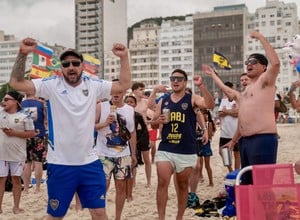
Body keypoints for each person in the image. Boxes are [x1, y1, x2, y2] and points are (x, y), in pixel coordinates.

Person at [9, 37, 131, 219]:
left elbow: (123, 85)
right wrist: (22, 54)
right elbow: (16, 83)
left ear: (82, 65)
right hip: (60, 164)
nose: (71, 67)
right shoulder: (50, 85)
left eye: (75, 63)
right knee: (56, 215)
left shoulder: (94, 85)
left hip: (90, 162)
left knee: (99, 212)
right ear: (61, 67)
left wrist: (123, 57)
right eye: (66, 64)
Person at [203, 30, 280, 184]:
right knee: (247, 182)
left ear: (263, 67)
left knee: (262, 183)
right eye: (247, 63)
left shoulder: (265, 83)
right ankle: (251, 208)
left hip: (262, 139)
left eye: (253, 62)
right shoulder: (243, 94)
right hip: (245, 141)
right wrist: (212, 75)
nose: (248, 64)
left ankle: (262, 209)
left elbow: (276, 63)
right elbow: (228, 91)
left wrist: (260, 37)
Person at [151, 69, 214, 220]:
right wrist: (157, 121)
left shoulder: (192, 98)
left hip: (186, 150)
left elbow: (209, 105)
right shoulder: (163, 101)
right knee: (162, 182)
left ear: (185, 82)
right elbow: (153, 124)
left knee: (182, 185)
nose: (176, 81)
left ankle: (179, 217)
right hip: (166, 147)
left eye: (179, 79)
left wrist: (202, 86)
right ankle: (161, 218)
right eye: (173, 78)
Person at [95, 82, 136, 220]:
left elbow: (132, 133)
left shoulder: (130, 110)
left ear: (124, 92)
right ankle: (101, 216)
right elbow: (91, 126)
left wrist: (133, 154)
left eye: (119, 90)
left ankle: (117, 217)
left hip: (123, 155)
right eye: (113, 90)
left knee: (121, 188)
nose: (116, 93)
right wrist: (105, 123)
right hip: (103, 154)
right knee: (102, 187)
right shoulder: (101, 106)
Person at [0, 91, 36, 214]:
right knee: (1, 180)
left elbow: (31, 133)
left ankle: (16, 207)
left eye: (6, 99)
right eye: (3, 99)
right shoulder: (0, 112)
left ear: (15, 101)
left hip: (17, 153)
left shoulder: (25, 115)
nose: (3, 101)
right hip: (1, 153)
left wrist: (14, 133)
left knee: (16, 180)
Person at [124, 95, 149, 201]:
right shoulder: (120, 115)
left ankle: (139, 183)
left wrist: (139, 142)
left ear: (135, 104)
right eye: (127, 102)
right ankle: (130, 185)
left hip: (137, 142)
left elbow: (144, 129)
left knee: (135, 164)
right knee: (127, 165)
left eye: (131, 102)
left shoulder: (137, 115)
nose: (129, 104)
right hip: (123, 143)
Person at [21, 94, 48, 193]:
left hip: (25, 135)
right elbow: (46, 121)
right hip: (39, 134)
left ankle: (26, 189)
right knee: (38, 163)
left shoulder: (21, 104)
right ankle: (37, 188)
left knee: (27, 163)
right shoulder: (41, 104)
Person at [218, 81, 239, 172]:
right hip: (225, 132)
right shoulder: (223, 101)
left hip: (236, 132)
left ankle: (237, 173)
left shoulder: (237, 99)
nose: (225, 91)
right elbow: (220, 114)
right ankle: (231, 171)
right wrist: (230, 112)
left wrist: (226, 111)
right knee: (222, 152)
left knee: (237, 154)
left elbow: (237, 113)